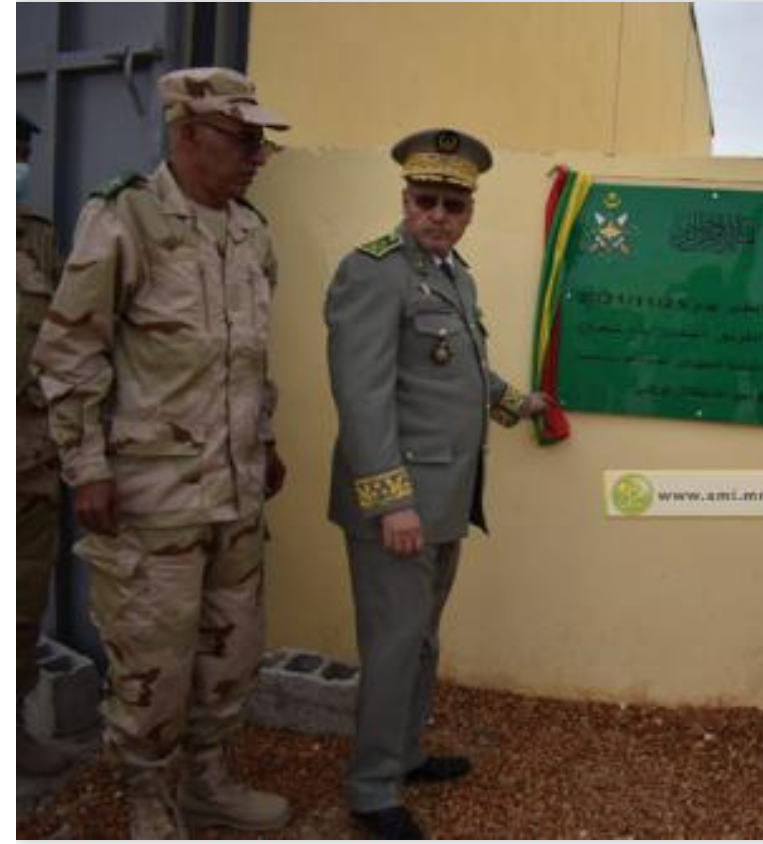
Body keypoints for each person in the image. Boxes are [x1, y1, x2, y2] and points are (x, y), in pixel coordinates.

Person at [31, 68, 291, 838]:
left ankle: (208, 779)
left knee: (230, 652)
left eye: (262, 143)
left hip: (236, 492)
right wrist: (88, 467)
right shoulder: (126, 219)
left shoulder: (251, 231)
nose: (257, 156)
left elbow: (252, 359)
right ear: (186, 135)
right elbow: (70, 351)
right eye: (243, 140)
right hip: (151, 497)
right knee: (153, 662)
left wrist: (266, 442)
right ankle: (150, 797)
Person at [325, 127, 547, 840]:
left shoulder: (454, 274)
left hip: (447, 498)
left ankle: (405, 752)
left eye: (454, 205)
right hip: (402, 504)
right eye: (427, 201)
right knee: (394, 642)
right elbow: (362, 398)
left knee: (420, 639)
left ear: (469, 210)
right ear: (405, 199)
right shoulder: (373, 271)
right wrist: (390, 502)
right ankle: (372, 790)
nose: (439, 216)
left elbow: (455, 368)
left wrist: (516, 403)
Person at [16, 111, 75, 777]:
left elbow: (66, 345)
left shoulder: (35, 238)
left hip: (29, 468)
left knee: (22, 606)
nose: (20, 159)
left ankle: (16, 738)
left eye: (25, 148)